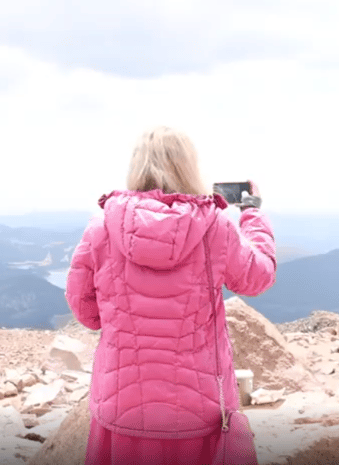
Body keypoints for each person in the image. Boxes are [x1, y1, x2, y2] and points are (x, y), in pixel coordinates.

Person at [65, 125, 278, 465]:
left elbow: (87, 314)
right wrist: (251, 213)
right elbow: (258, 277)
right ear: (189, 168)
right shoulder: (215, 227)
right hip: (199, 413)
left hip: (121, 409)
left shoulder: (101, 226)